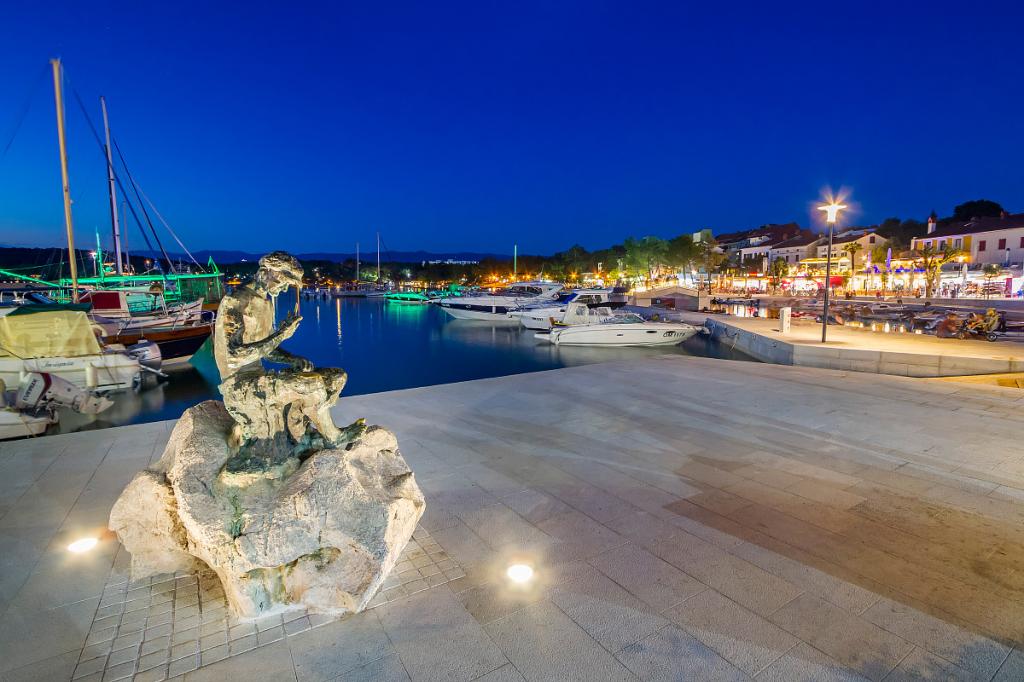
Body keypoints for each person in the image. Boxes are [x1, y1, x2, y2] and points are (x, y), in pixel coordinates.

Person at [214, 251, 354, 448]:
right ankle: (332, 436)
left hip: (260, 377)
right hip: (239, 385)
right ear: (266, 272)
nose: (286, 288)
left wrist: (292, 359)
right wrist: (281, 334)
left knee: (336, 377)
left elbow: (267, 349)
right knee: (312, 383)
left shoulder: (266, 303)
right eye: (284, 281)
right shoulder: (235, 302)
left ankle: (298, 428)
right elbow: (233, 357)